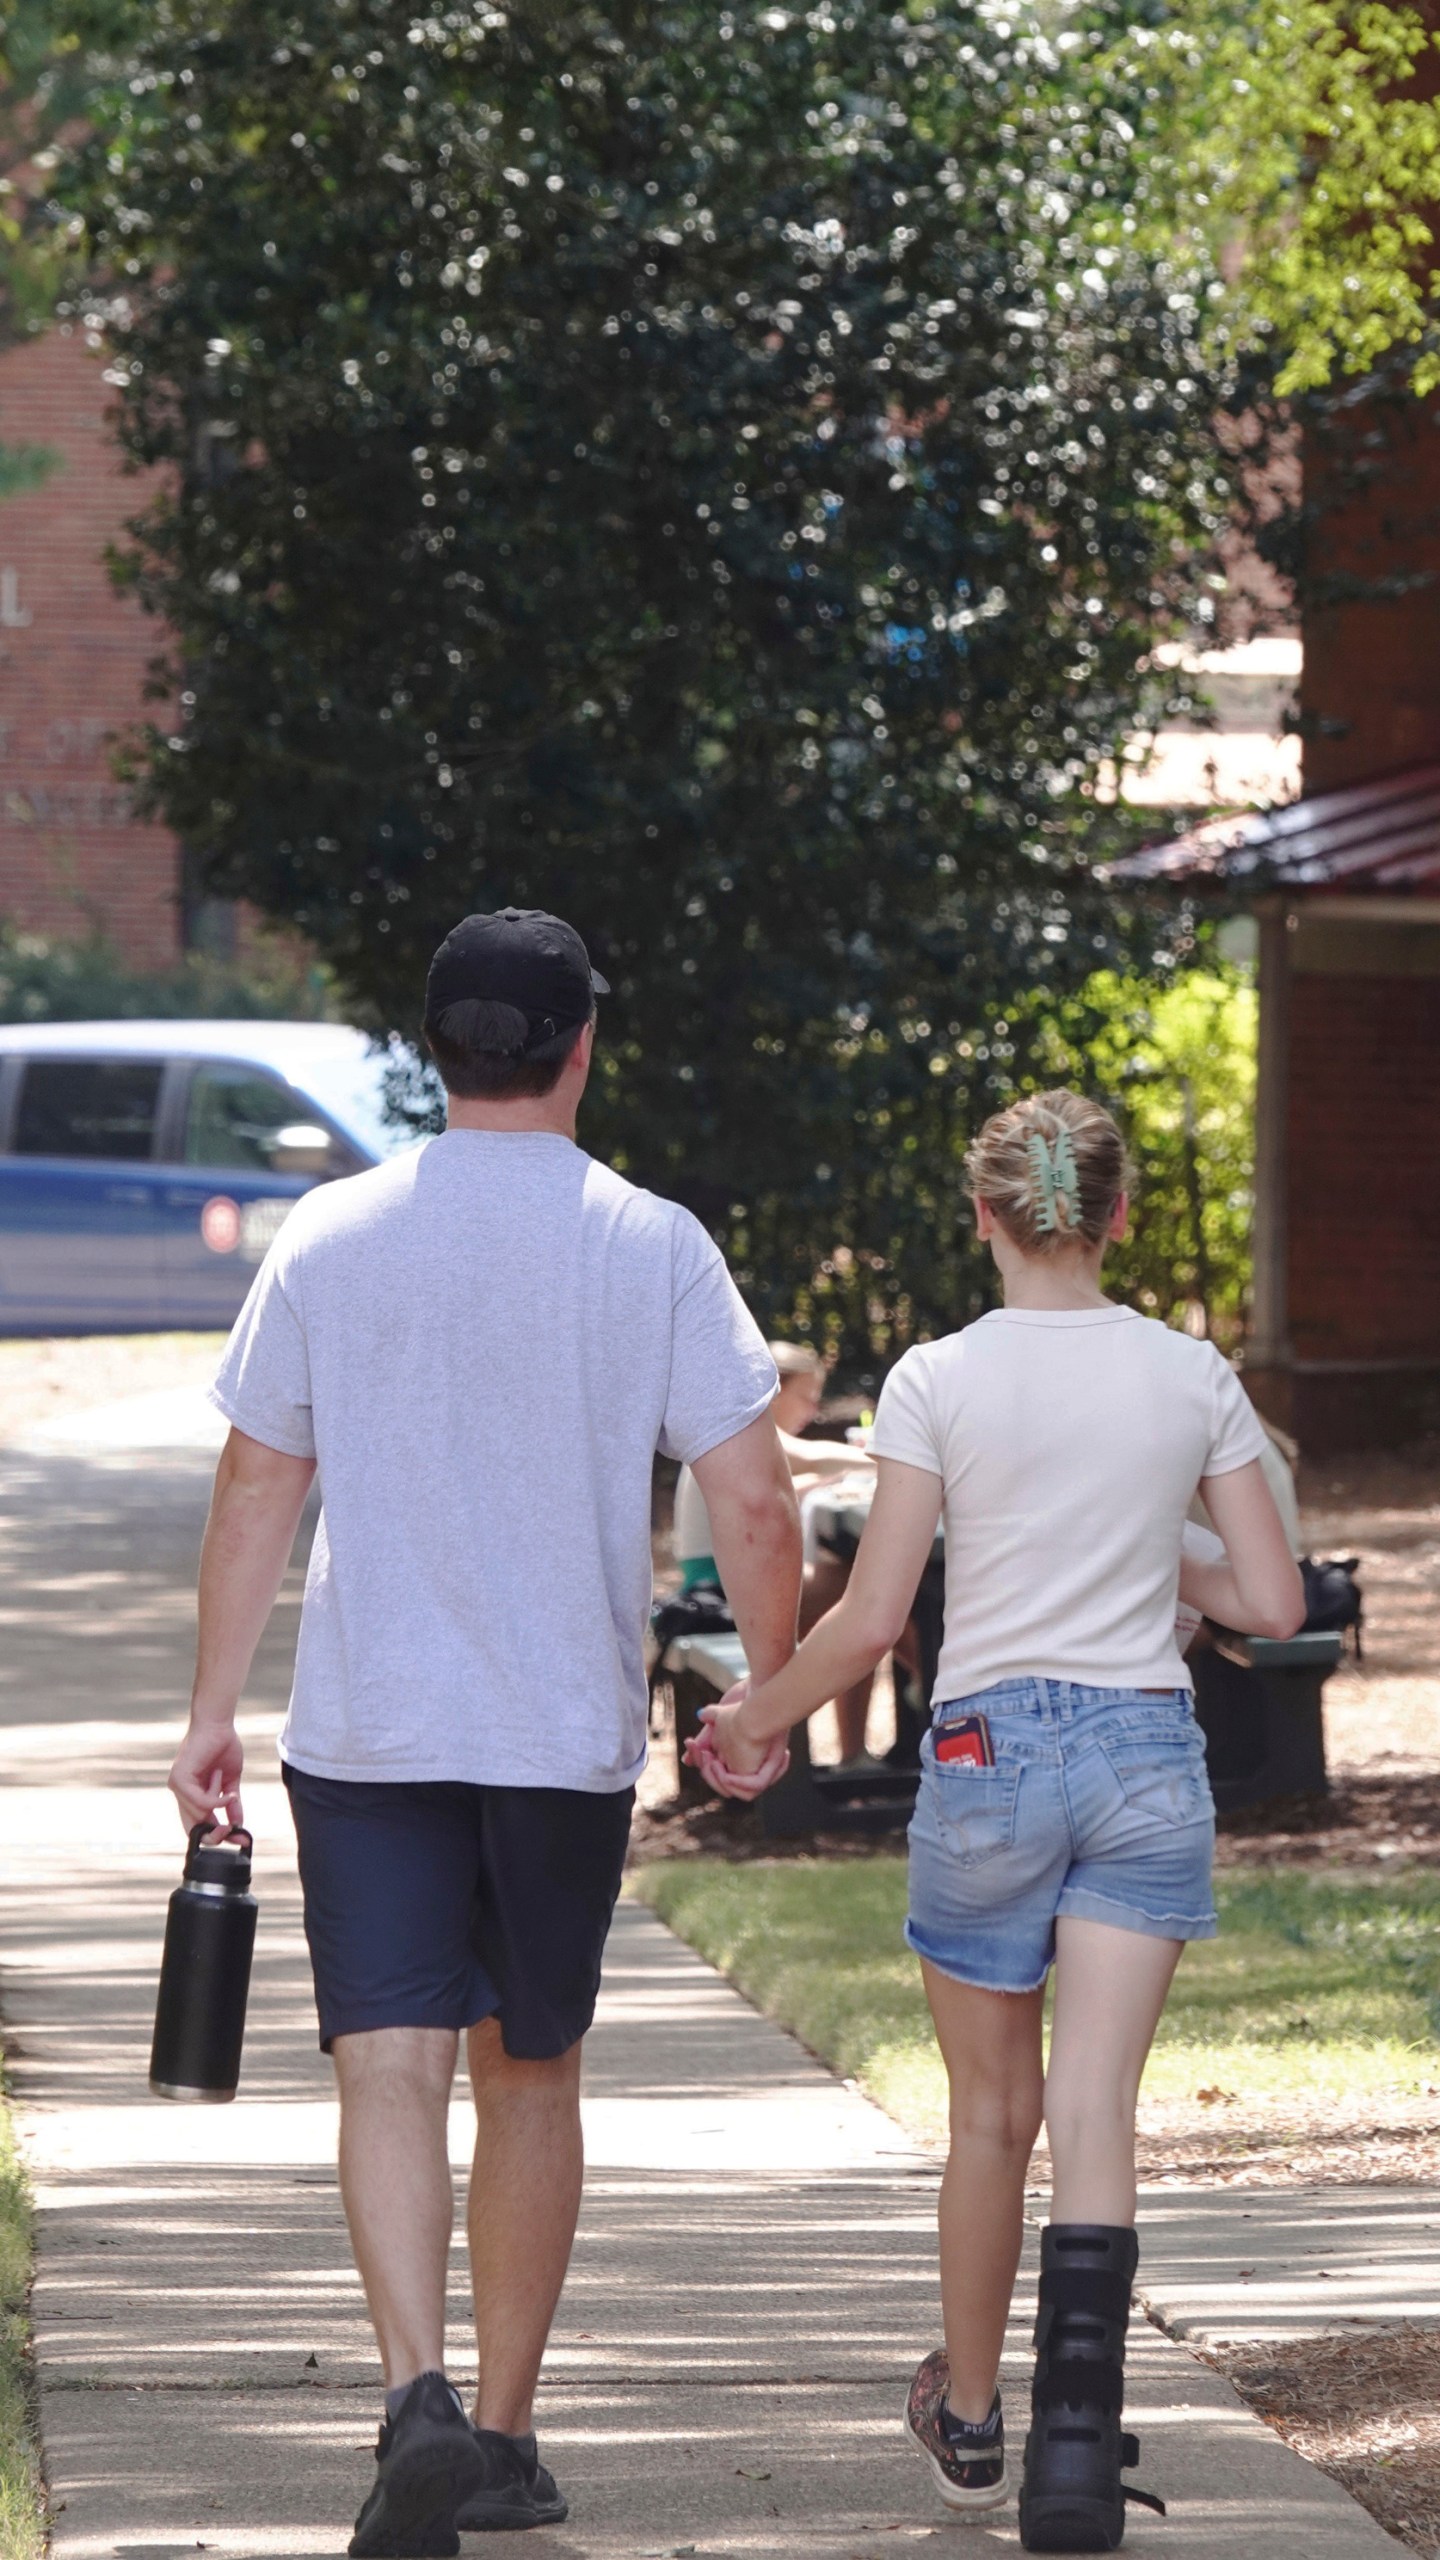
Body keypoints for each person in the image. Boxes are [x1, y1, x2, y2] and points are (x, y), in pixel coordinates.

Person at [167, 907, 802, 2560]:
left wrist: (210, 1711)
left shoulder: (331, 1234)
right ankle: (501, 2438)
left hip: (368, 1726)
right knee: (528, 2073)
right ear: (583, 1043)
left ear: (436, 1048)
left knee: (384, 2063)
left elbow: (256, 1483)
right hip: (558, 1734)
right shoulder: (651, 1243)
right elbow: (751, 1492)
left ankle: (413, 2401)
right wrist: (769, 1692)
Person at [694, 1091, 1302, 2552]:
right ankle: (1080, 2456)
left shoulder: (937, 1378)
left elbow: (875, 1622)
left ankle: (972, 2421)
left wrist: (753, 1719)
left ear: (984, 1215)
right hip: (1150, 1752)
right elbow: (1273, 1605)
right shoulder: (1188, 1374)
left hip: (987, 1752)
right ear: (1121, 1215)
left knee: (992, 2116)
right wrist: (1153, 1538)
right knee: (1092, 2111)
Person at [674, 1341, 905, 1767]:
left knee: (859, 1590)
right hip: (721, 1590)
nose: (815, 1409)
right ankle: (875, 1731)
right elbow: (813, 1459)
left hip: (724, 1581)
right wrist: (892, 1459)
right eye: (809, 1395)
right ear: (775, 1390)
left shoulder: (735, 1434)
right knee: (860, 1595)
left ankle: (871, 1738)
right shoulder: (742, 1428)